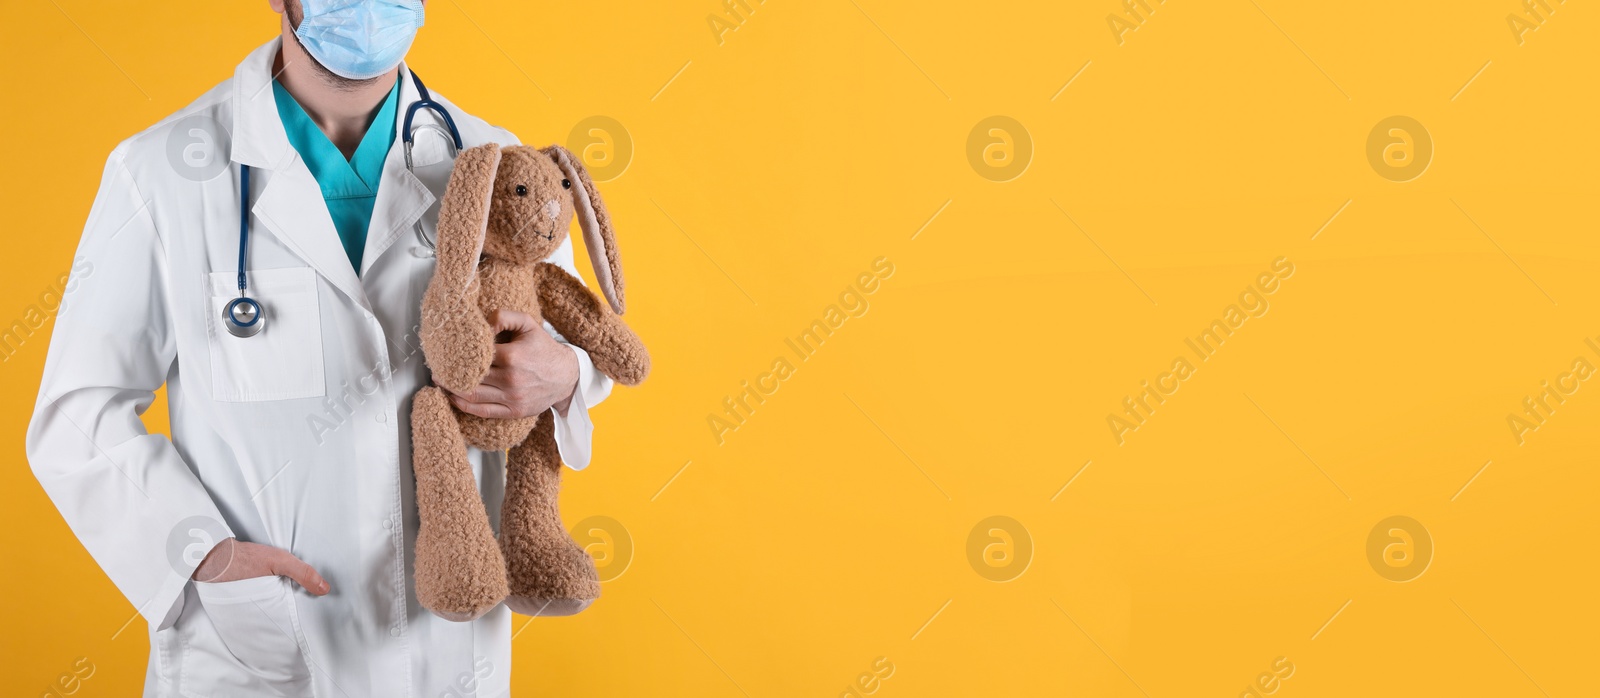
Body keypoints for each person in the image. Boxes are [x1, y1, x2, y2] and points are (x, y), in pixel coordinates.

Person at [25, 1, 614, 695]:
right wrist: (202, 555)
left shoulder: (491, 160)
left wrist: (566, 374)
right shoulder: (160, 172)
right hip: (258, 652)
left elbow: (573, 347)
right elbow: (76, 416)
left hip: (446, 650)